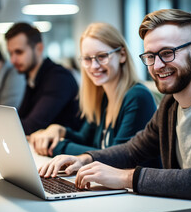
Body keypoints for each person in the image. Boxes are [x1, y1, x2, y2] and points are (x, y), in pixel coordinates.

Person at [39, 9, 191, 212]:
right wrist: (86, 159)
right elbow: (133, 149)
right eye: (150, 56)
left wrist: (123, 177)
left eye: (167, 53)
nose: (158, 65)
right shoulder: (170, 105)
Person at [29, 23, 156, 157]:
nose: (94, 66)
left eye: (101, 56)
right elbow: (84, 139)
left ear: (122, 55)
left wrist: (57, 146)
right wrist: (59, 131)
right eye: (87, 59)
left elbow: (117, 157)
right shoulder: (103, 97)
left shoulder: (137, 97)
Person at [5, 23, 82, 135]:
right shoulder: (32, 77)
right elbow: (21, 118)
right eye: (10, 53)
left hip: (65, 149)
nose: (13, 60)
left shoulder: (59, 78)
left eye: (19, 52)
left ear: (39, 48)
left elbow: (33, 125)